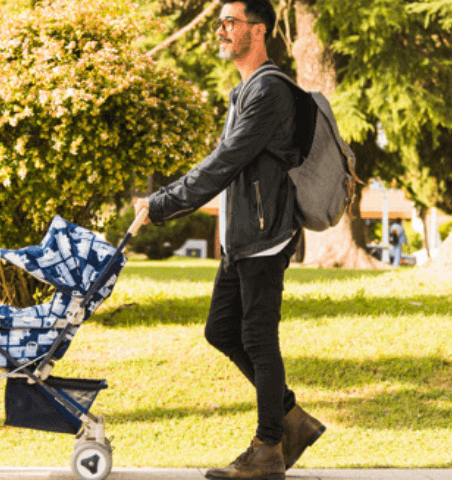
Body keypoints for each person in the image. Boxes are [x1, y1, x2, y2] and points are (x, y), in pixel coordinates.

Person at [134, 1, 324, 479]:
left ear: (256, 31)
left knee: (259, 339)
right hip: (240, 235)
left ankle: (268, 449)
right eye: (219, 22)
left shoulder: (269, 92)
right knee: (221, 330)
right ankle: (290, 420)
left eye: (229, 22)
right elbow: (225, 160)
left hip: (264, 235)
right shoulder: (245, 91)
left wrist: (162, 203)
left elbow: (225, 163)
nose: (220, 30)